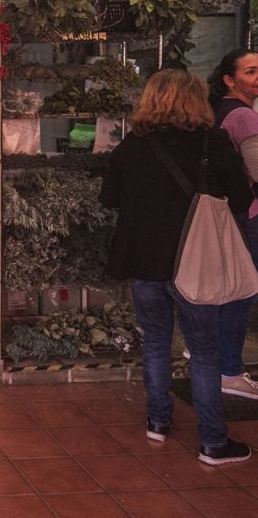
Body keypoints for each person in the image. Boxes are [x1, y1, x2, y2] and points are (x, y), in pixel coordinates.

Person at [101, 69, 253, 466]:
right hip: (197, 262)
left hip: (144, 261)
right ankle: (213, 443)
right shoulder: (214, 143)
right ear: (197, 100)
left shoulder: (131, 147)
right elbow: (240, 198)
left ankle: (158, 421)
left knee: (155, 341)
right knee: (203, 351)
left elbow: (109, 198)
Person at [208, 49, 258, 400]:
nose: (257, 78)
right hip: (248, 214)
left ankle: (209, 357)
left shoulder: (218, 112)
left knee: (227, 289)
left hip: (225, 214)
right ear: (229, 79)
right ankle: (229, 369)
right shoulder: (243, 117)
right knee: (243, 291)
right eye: (251, 72)